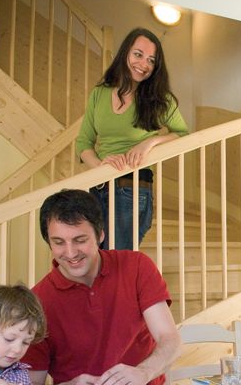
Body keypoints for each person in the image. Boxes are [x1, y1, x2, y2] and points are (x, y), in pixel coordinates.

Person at [22, 189, 182, 385]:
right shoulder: (36, 302)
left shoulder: (137, 266)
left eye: (80, 240)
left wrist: (143, 373)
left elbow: (170, 339)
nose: (70, 253)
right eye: (59, 242)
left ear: (100, 235)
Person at [78, 27, 189, 250]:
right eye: (138, 54)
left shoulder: (160, 100)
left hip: (132, 187)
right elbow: (83, 142)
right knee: (96, 259)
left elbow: (184, 135)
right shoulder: (99, 93)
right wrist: (100, 166)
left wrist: (149, 142)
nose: (143, 64)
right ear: (125, 53)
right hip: (98, 186)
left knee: (117, 260)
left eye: (151, 60)